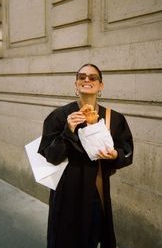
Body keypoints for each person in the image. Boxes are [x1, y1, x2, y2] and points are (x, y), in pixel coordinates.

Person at [38, 64, 133, 248]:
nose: (87, 80)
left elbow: (127, 152)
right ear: (76, 84)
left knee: (91, 239)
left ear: (101, 85)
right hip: (66, 195)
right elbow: (50, 155)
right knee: (64, 240)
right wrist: (68, 130)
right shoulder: (59, 116)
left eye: (92, 77)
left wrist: (115, 155)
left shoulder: (114, 118)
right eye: (82, 77)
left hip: (96, 192)